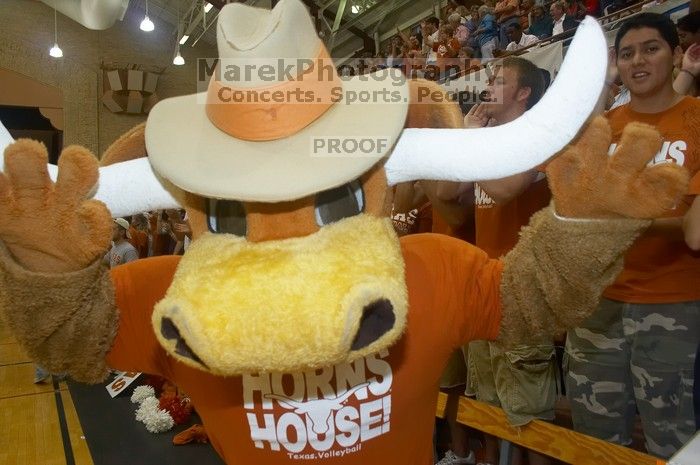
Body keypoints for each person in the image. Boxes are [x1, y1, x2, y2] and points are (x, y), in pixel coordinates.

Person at [566, 13, 700, 460]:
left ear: (676, 54)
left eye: (651, 49)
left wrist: (621, 219)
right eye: (627, 53)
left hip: (672, 304)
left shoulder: (695, 120)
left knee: (672, 438)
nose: (638, 61)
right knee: (593, 438)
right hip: (597, 304)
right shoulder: (602, 126)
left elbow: (692, 229)